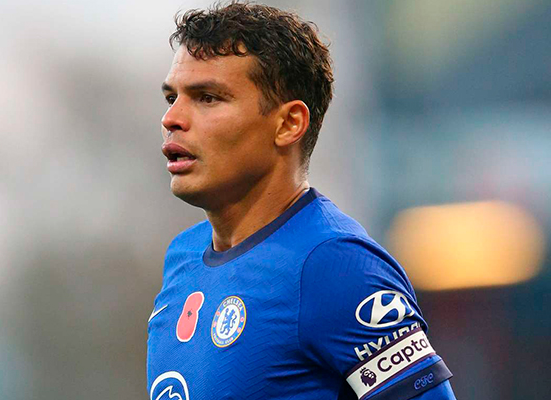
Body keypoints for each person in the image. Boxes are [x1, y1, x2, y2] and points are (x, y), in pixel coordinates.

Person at [147, 2, 457, 399]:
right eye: (171, 97)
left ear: (289, 124)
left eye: (207, 98)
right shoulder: (184, 257)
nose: (172, 118)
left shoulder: (335, 265)